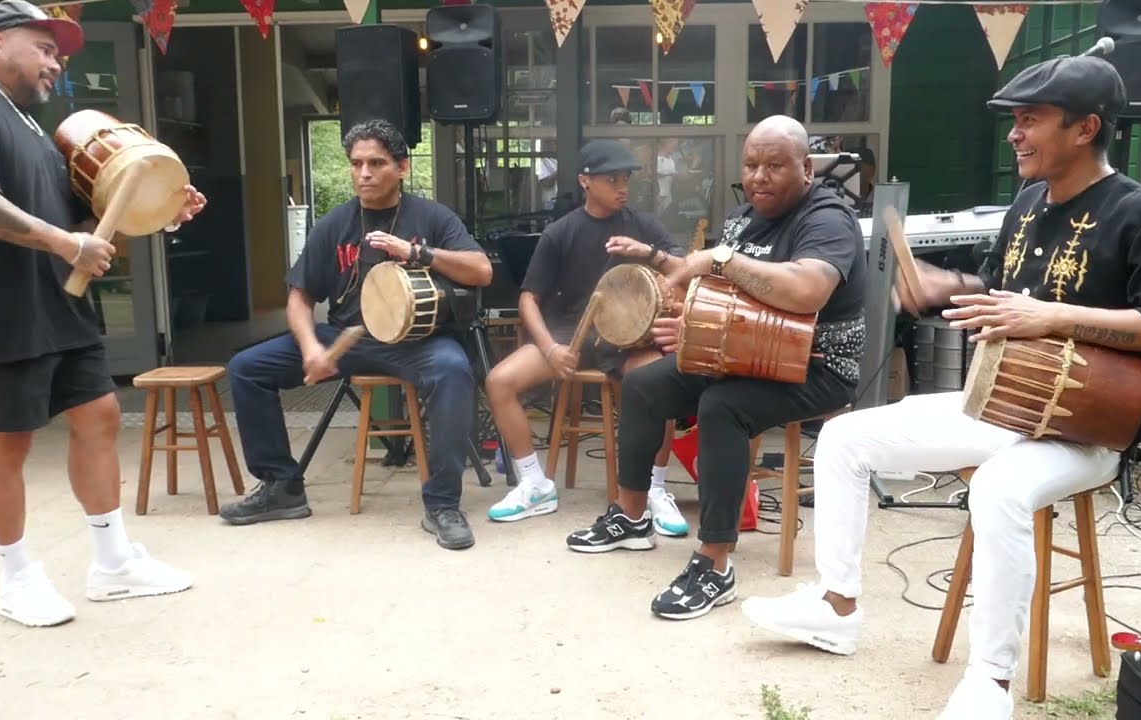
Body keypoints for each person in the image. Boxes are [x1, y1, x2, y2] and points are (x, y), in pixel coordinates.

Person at [740, 57, 1141, 719]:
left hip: (1085, 432)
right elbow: (998, 292)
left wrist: (1054, 317)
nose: (1014, 135)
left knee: (996, 489)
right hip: (1002, 406)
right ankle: (837, 608)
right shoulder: (1026, 205)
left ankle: (990, 683)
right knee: (845, 438)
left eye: (1031, 120)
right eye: (1015, 121)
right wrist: (948, 287)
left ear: (1086, 129)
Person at [0, 0, 204, 627]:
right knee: (8, 439)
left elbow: (82, 226)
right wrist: (65, 245)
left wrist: (160, 210)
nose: (56, 63)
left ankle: (113, 563)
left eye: (58, 54)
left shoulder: (37, 129)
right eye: (45, 48)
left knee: (100, 415)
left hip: (58, 302)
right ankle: (17, 576)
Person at [564, 116, 867, 621]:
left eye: (774, 166)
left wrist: (719, 259)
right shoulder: (744, 218)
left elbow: (807, 290)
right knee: (642, 384)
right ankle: (632, 516)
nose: (759, 177)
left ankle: (715, 563)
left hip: (816, 366)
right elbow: (718, 292)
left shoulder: (827, 218)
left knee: (722, 406)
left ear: (807, 169)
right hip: (741, 354)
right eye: (751, 165)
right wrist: (688, 319)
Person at [219, 119, 492, 551]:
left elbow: (482, 271)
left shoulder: (432, 217)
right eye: (356, 163)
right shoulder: (334, 224)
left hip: (417, 341)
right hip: (346, 334)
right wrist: (310, 347)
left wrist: (416, 252)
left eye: (376, 163)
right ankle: (282, 487)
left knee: (454, 371)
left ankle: (443, 504)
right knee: (246, 368)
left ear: (402, 167)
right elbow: (299, 297)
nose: (364, 173)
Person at [484, 140, 689, 535]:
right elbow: (528, 299)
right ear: (585, 181)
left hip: (633, 338)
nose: (622, 187)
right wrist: (549, 348)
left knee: (659, 383)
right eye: (612, 179)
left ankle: (654, 488)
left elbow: (685, 270)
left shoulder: (643, 226)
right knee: (499, 381)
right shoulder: (560, 232)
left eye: (625, 179)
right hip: (571, 333)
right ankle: (535, 485)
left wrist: (648, 252)